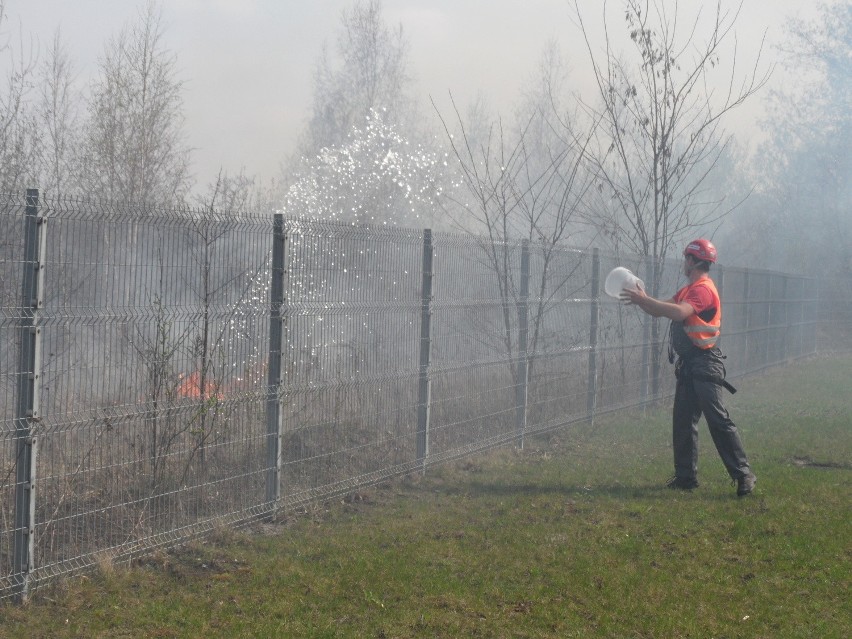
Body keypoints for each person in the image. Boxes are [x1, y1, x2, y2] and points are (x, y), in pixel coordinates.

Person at [620, 239, 757, 497]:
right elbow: (661, 310)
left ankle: (744, 474)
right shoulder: (689, 289)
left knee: (718, 420)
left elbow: (679, 313)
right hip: (690, 364)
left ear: (693, 261)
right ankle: (685, 478)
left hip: (705, 363)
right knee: (683, 420)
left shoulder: (702, 290)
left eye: (686, 258)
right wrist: (642, 299)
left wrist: (644, 299)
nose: (684, 262)